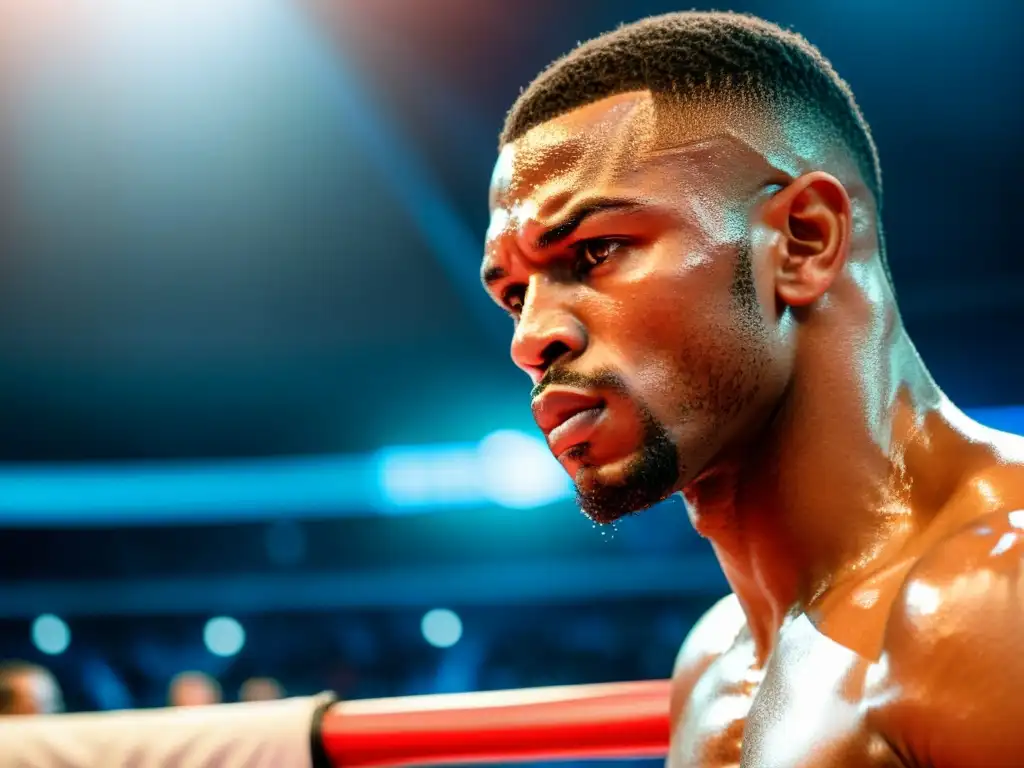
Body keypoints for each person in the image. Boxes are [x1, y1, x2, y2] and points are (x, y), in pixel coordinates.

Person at [483, 10, 1024, 767]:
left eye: (595, 250)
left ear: (803, 241)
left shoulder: (996, 596)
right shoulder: (713, 658)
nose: (530, 338)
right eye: (513, 295)